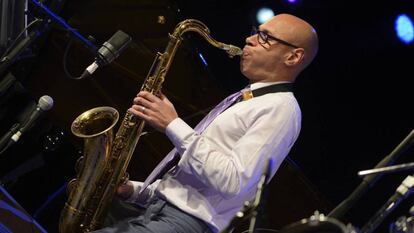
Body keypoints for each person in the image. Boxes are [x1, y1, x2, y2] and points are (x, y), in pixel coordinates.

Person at [93, 13, 319, 233]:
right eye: (255, 33)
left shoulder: (281, 109)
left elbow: (234, 182)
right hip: (159, 210)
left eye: (265, 37)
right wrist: (134, 190)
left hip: (185, 223)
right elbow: (190, 187)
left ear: (293, 57)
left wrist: (172, 125)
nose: (249, 40)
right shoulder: (245, 98)